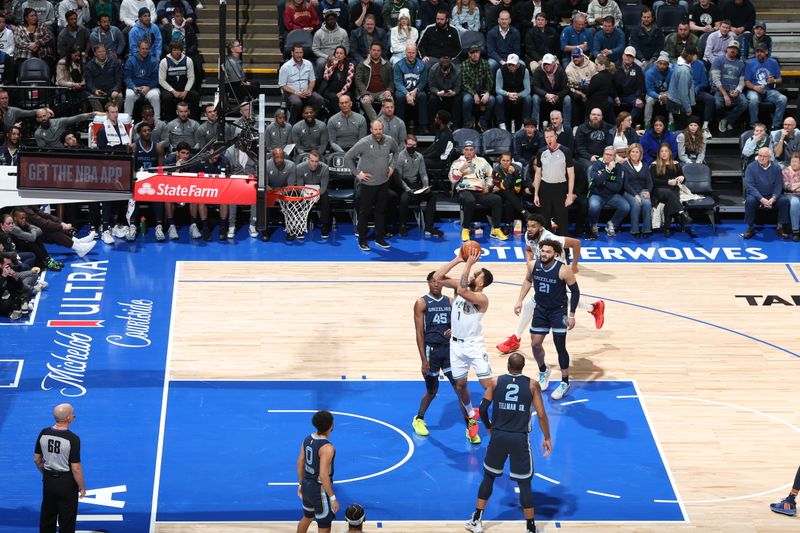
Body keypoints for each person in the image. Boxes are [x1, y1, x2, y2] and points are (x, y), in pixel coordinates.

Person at [464, 352, 551, 533]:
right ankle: (530, 527)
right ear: (523, 366)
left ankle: (477, 519)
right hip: (519, 438)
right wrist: (547, 437)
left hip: (499, 437)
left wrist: (488, 427)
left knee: (489, 477)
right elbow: (541, 414)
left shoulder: (495, 382)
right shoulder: (532, 385)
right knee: (524, 483)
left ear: (508, 367)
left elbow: (483, 408)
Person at [496, 213, 603, 354]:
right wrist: (530, 264)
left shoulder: (552, 239)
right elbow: (528, 250)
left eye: (533, 226)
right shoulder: (529, 236)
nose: (529, 229)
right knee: (552, 299)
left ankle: (516, 338)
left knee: (538, 302)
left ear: (541, 228)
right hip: (542, 269)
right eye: (528, 226)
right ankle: (593, 308)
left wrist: (575, 265)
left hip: (557, 271)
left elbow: (576, 243)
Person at [432, 249, 495, 444]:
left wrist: (468, 265)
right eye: (474, 272)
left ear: (482, 283)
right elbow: (437, 277)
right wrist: (458, 260)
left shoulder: (482, 299)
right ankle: (470, 415)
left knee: (488, 386)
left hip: (474, 346)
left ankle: (494, 411)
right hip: (456, 346)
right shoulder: (463, 286)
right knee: (460, 385)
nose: (474, 274)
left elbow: (461, 291)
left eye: (478, 275)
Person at [517, 238, 580, 400]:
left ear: (556, 254)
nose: (544, 254)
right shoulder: (532, 265)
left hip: (559, 312)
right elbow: (527, 281)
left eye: (548, 252)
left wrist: (572, 314)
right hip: (541, 310)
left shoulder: (564, 270)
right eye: (542, 251)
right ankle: (544, 370)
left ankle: (565, 381)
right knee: (535, 344)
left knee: (560, 346)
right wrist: (519, 300)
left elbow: (576, 292)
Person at [411, 270, 466, 436]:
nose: (436, 284)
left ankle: (470, 425)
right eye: (433, 281)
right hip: (431, 351)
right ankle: (419, 418)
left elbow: (461, 322)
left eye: (439, 281)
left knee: (460, 389)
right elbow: (419, 333)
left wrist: (454, 329)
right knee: (432, 391)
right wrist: (423, 360)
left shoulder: (450, 301)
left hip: (449, 351)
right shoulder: (421, 303)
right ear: (428, 283)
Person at [344, 120, 399, 251]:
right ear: (371, 130)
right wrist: (357, 174)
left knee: (380, 211)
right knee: (365, 213)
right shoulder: (364, 142)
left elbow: (397, 152)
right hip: (368, 184)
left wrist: (392, 167)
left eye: (380, 129)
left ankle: (379, 238)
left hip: (384, 182)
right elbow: (348, 157)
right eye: (375, 129)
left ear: (383, 129)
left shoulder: (389, 140)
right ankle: (362, 240)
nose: (378, 132)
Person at [34, 403, 86, 533]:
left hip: (48, 481)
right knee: (67, 519)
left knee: (47, 516)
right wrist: (82, 486)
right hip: (66, 483)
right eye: (73, 413)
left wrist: (45, 473)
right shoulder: (73, 439)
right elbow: (76, 468)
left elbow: (37, 459)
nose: (74, 415)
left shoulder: (44, 433)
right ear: (68, 418)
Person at [449, 140, 507, 242]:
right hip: (464, 190)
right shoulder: (457, 162)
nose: (469, 152)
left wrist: (488, 186)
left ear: (474, 150)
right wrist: (462, 168)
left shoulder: (482, 161)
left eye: (471, 149)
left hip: (480, 191)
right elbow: (453, 179)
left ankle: (496, 229)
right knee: (470, 200)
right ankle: (466, 229)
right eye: (467, 150)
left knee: (497, 199)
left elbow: (491, 175)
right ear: (463, 151)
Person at [296, 410, 337, 533]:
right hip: (319, 490)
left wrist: (300, 484)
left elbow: (300, 462)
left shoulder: (307, 439)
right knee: (324, 525)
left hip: (307, 485)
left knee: (307, 517)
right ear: (331, 425)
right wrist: (332, 497)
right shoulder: (327, 447)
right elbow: (323, 474)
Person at [392, 135, 442, 237]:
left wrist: (425, 186)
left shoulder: (419, 156)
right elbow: (398, 178)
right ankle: (402, 226)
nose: (411, 147)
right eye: (409, 145)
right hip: (402, 184)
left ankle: (429, 227)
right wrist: (408, 189)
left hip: (414, 183)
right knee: (404, 198)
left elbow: (423, 173)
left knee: (432, 197)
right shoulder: (399, 157)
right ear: (405, 145)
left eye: (414, 145)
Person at [534, 127, 575, 235]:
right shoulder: (541, 152)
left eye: (551, 136)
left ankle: (564, 250)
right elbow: (538, 173)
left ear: (556, 136)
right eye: (547, 137)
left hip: (560, 187)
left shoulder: (565, 151)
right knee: (544, 220)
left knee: (562, 220)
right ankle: (546, 246)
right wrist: (536, 194)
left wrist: (570, 194)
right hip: (545, 188)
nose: (549, 139)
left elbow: (571, 174)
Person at [650, 143, 692, 237]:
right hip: (659, 190)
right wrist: (667, 182)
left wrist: (681, 178)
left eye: (666, 151)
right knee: (670, 194)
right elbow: (653, 180)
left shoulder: (676, 164)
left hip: (673, 189)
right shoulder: (654, 164)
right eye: (662, 151)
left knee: (670, 199)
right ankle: (681, 213)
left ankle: (667, 228)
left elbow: (683, 179)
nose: (664, 153)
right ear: (659, 153)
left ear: (670, 153)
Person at [588, 145, 630, 238]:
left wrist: (603, 181)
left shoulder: (619, 167)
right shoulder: (597, 164)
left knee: (625, 206)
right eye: (606, 154)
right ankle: (594, 225)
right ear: (603, 154)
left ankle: (612, 224)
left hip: (611, 195)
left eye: (610, 155)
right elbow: (597, 182)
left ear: (615, 157)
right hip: (597, 194)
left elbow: (617, 187)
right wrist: (608, 170)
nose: (608, 156)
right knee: (594, 206)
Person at [741, 146, 782, 239]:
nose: (761, 158)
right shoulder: (751, 167)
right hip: (757, 196)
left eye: (764, 156)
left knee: (784, 201)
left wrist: (774, 197)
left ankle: (781, 226)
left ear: (769, 157)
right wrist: (761, 199)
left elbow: (778, 185)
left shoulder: (776, 168)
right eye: (760, 155)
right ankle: (750, 227)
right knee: (750, 201)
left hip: (771, 195)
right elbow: (750, 187)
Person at [279, 44, 324, 125]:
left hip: (306, 92)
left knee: (319, 99)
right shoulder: (285, 67)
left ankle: (310, 120)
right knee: (297, 103)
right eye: (297, 52)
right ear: (292, 53)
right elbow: (282, 85)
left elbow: (312, 80)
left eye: (301, 52)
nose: (299, 55)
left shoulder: (308, 64)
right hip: (291, 93)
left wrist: (309, 90)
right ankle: (292, 123)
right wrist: (296, 92)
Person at [744, 43, 786, 130]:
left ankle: (776, 125)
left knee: (783, 99)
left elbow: (780, 79)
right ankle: (754, 123)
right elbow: (747, 82)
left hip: (769, 90)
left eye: (761, 51)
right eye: (757, 51)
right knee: (754, 99)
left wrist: (773, 80)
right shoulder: (750, 63)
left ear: (766, 52)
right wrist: (755, 88)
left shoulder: (773, 62)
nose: (759, 53)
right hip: (754, 90)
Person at [711, 40, 746, 134]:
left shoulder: (741, 64)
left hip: (734, 90)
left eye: (735, 49)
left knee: (744, 102)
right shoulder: (718, 60)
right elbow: (715, 79)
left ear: (738, 52)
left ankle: (727, 120)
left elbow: (742, 81)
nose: (733, 50)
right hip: (720, 90)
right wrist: (725, 95)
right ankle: (721, 120)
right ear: (727, 49)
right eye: (731, 48)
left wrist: (738, 90)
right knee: (718, 103)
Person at [353, 41, 394, 123]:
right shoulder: (362, 64)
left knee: (390, 101)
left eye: (378, 50)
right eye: (374, 50)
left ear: (381, 52)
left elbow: (391, 81)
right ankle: (377, 123)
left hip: (382, 92)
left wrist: (389, 90)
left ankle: (377, 123)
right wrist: (365, 93)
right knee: (365, 101)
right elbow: (358, 80)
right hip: (368, 92)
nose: (376, 52)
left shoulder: (387, 65)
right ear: (370, 51)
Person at [159, 40, 199, 122]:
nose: (177, 52)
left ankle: (194, 121)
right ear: (171, 51)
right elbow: (161, 80)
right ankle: (169, 121)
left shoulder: (188, 60)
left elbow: (191, 77)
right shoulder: (164, 61)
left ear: (181, 50)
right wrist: (173, 91)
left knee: (195, 95)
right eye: (174, 50)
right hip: (170, 88)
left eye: (178, 50)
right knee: (167, 98)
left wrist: (186, 91)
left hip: (184, 87)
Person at [392, 43, 429, 133]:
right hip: (403, 90)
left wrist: (416, 90)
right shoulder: (398, 65)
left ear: (416, 53)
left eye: (413, 52)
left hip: (416, 90)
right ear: (405, 53)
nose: (411, 55)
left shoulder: (422, 65)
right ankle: (400, 126)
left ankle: (423, 125)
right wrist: (407, 94)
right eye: (409, 52)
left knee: (423, 96)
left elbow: (423, 81)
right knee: (400, 98)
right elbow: (398, 83)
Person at [620, 143, 653, 238]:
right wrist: (635, 195)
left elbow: (649, 182)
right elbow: (625, 184)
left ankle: (646, 229)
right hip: (629, 191)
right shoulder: (625, 165)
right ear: (629, 153)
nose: (635, 154)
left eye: (637, 152)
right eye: (633, 152)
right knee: (636, 203)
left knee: (647, 203)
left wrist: (648, 191)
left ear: (640, 153)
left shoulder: (645, 166)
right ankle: (635, 230)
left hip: (642, 190)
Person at [461, 44, 494, 131]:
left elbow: (490, 80)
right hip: (469, 91)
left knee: (491, 99)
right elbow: (464, 83)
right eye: (472, 52)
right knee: (467, 99)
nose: (475, 54)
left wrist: (487, 92)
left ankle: (483, 122)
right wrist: (474, 94)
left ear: (479, 53)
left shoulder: (485, 63)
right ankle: (467, 123)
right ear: (469, 54)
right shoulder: (464, 65)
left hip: (482, 90)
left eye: (477, 52)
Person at [124, 40, 161, 119]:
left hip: (149, 87)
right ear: (138, 48)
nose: (145, 51)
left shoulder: (153, 60)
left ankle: (157, 120)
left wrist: (148, 87)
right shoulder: (131, 60)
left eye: (146, 49)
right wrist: (133, 87)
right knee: (129, 95)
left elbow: (156, 78)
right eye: (143, 48)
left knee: (155, 96)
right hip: (135, 87)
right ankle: (127, 121)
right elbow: (127, 77)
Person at [495, 53, 531, 131]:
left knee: (528, 98)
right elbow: (497, 89)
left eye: (513, 65)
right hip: (506, 95)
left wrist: (517, 95)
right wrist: (508, 94)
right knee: (498, 98)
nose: (510, 66)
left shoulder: (524, 70)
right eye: (509, 64)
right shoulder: (500, 70)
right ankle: (502, 124)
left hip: (519, 95)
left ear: (518, 64)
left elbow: (528, 90)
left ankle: (525, 124)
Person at [614, 47, 645, 127]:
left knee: (639, 105)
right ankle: (614, 124)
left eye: (630, 56)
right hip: (617, 95)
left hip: (630, 95)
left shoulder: (637, 69)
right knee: (607, 102)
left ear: (634, 58)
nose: (628, 57)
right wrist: (615, 96)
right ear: (622, 55)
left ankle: (626, 123)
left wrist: (639, 97)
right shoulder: (615, 66)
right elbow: (610, 84)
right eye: (626, 55)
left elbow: (640, 86)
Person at [318, 46, 356, 112]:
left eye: (341, 53)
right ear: (334, 54)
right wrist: (333, 67)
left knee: (346, 97)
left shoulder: (350, 65)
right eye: (337, 53)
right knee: (335, 98)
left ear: (344, 56)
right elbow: (326, 77)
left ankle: (348, 115)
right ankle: (338, 116)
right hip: (330, 90)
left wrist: (341, 93)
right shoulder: (329, 64)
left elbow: (348, 83)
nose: (338, 55)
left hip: (344, 89)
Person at [427, 55, 460, 122]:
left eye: (447, 70)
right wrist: (437, 92)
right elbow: (431, 86)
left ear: (450, 67)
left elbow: (458, 86)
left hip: (451, 92)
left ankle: (455, 124)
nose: (445, 72)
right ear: (440, 66)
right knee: (432, 98)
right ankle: (432, 123)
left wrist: (454, 92)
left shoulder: (457, 71)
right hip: (438, 92)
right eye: (443, 70)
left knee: (458, 99)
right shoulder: (433, 69)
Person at [777, 152, 800, 241]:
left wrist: (795, 185)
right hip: (789, 195)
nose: (793, 164)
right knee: (795, 202)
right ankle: (795, 231)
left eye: (796, 162)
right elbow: (788, 187)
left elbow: (794, 186)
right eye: (792, 161)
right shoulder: (785, 171)